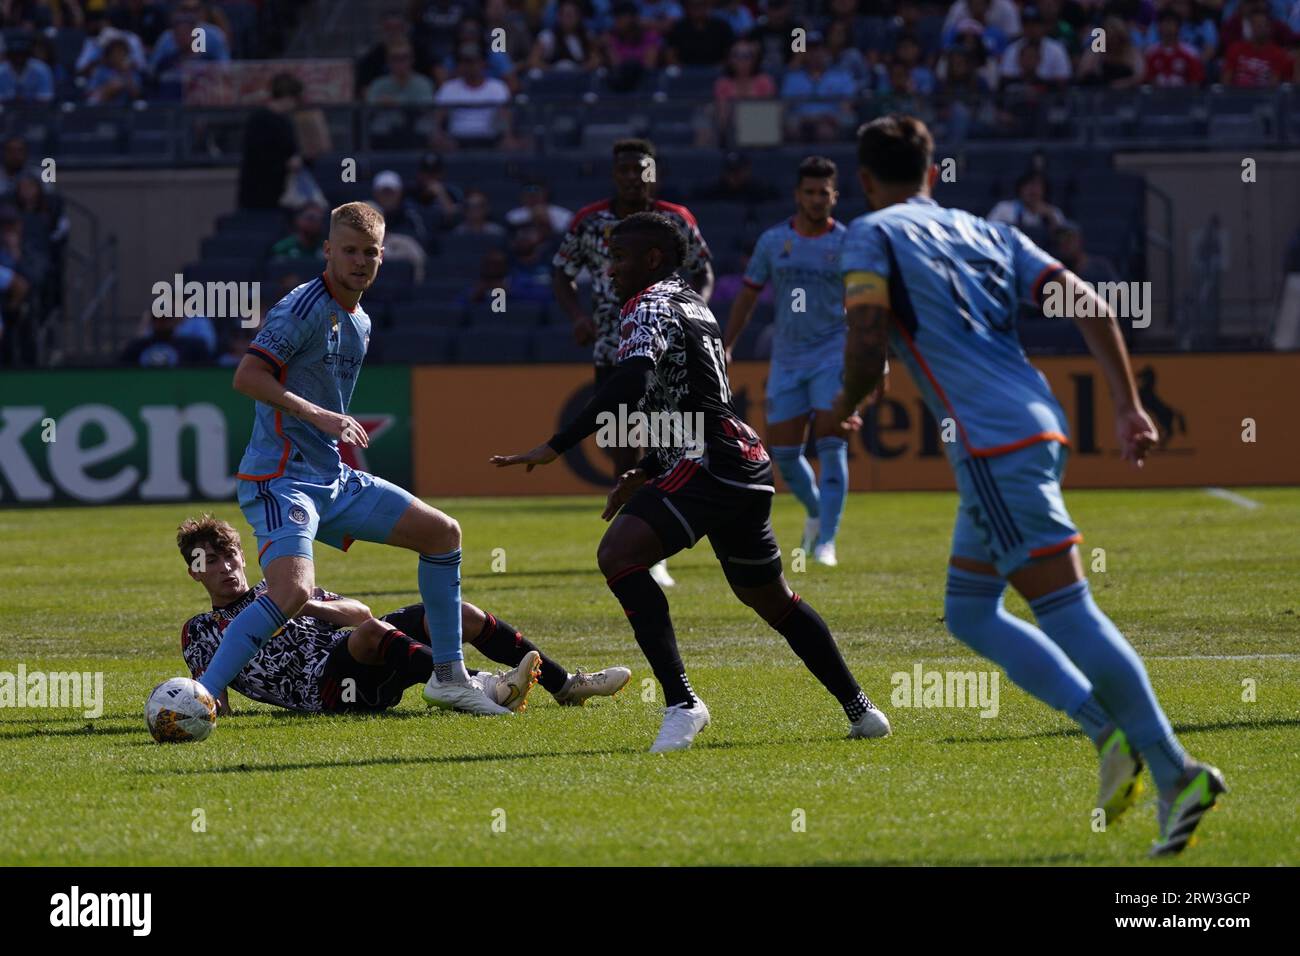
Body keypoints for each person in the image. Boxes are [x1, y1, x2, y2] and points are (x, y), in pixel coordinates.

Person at [837, 113, 1226, 856]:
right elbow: (1094, 304)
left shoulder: (873, 234)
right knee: (970, 612)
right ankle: (1108, 733)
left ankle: (1179, 772)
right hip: (1035, 423)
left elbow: (864, 335)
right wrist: (1129, 406)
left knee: (1069, 612)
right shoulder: (989, 232)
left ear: (863, 180)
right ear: (932, 169)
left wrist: (846, 406)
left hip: (991, 443)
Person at [492, 211, 892, 752]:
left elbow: (632, 380)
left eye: (618, 258)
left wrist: (557, 444)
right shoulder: (694, 304)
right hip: (743, 462)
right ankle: (862, 710)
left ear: (652, 260)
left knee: (619, 555)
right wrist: (651, 468)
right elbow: (690, 398)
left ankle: (683, 703)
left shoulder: (648, 302)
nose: (608, 272)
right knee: (772, 600)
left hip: (711, 461)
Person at [188, 201, 510, 721]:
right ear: (328, 251)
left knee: (442, 533)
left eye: (370, 253)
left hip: (331, 479)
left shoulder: (359, 319)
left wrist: (324, 425)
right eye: (349, 251)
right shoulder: (301, 308)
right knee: (291, 592)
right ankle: (200, 695)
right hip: (280, 479)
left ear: (382, 257)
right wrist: (317, 415)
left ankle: (449, 677)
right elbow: (247, 376)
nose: (360, 261)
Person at [177, 514, 630, 714]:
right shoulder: (199, 631)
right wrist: (197, 711)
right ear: (195, 572)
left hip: (367, 654)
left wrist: (305, 603)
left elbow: (359, 612)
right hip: (325, 691)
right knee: (375, 633)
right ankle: (477, 684)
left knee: (454, 613)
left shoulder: (281, 588)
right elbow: (212, 696)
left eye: (230, 555)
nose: (226, 567)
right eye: (210, 561)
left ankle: (565, 685)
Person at [551, 138, 714, 589]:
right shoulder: (590, 221)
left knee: (665, 440)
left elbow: (704, 268)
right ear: (613, 174)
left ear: (653, 173)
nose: (631, 177)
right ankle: (636, 537)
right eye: (623, 169)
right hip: (612, 347)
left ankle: (657, 544)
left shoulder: (676, 219)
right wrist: (577, 316)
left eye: (640, 169)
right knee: (622, 442)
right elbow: (560, 271)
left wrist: (697, 316)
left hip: (668, 350)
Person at [722, 156, 862, 567]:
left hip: (832, 354)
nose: (817, 200)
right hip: (786, 359)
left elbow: (864, 303)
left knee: (833, 445)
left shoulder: (848, 243)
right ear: (797, 195)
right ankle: (817, 511)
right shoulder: (772, 242)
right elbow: (748, 296)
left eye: (824, 193)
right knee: (783, 455)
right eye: (810, 192)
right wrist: (726, 344)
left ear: (834, 196)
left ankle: (826, 542)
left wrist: (870, 356)